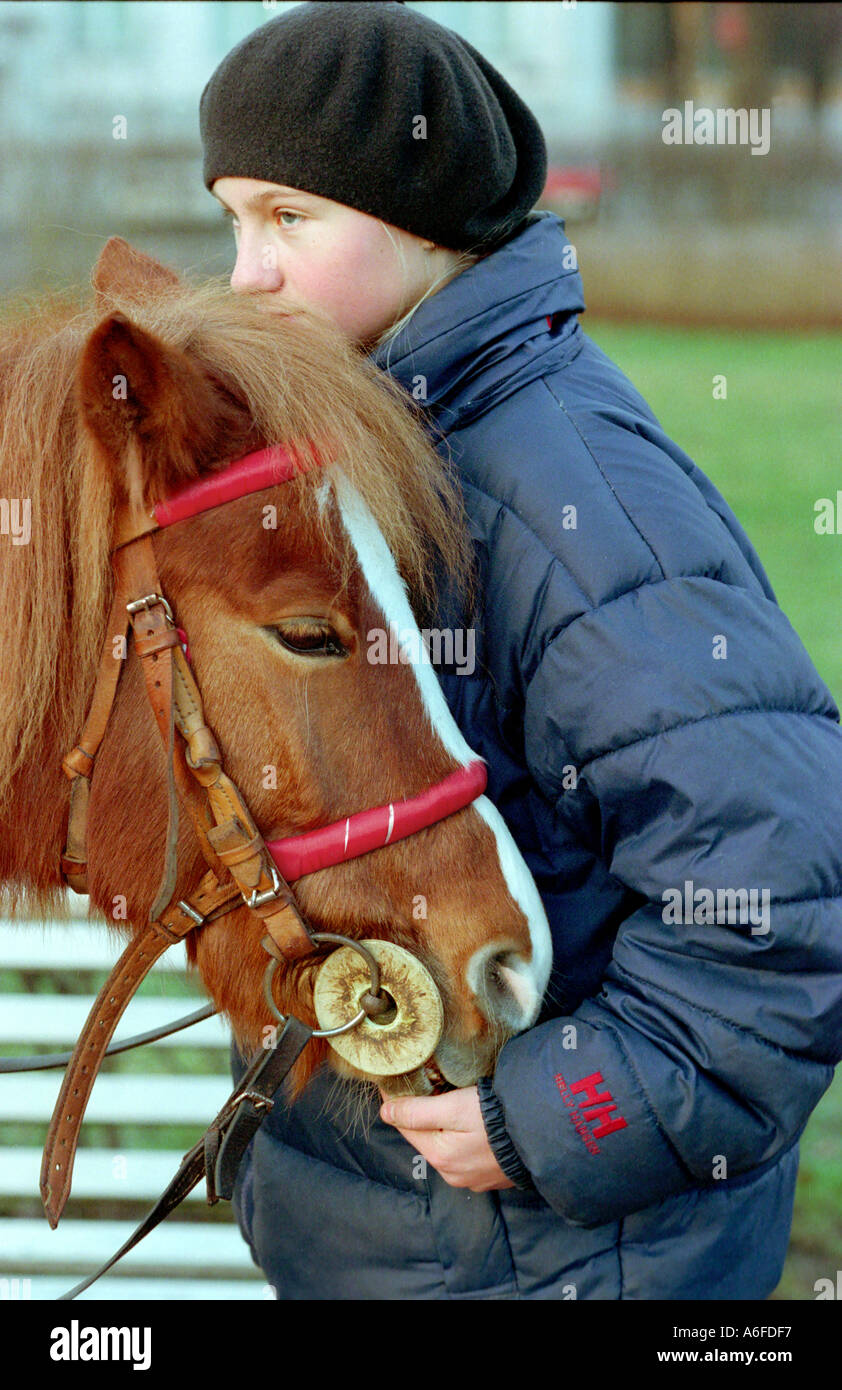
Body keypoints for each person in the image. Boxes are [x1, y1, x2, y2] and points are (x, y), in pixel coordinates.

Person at [198, 1, 842, 1299]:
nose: (244, 273)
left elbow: (777, 890)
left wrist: (551, 1118)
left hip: (556, 1256)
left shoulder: (567, 492)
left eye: (286, 217)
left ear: (424, 218)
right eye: (229, 217)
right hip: (399, 1238)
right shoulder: (376, 446)